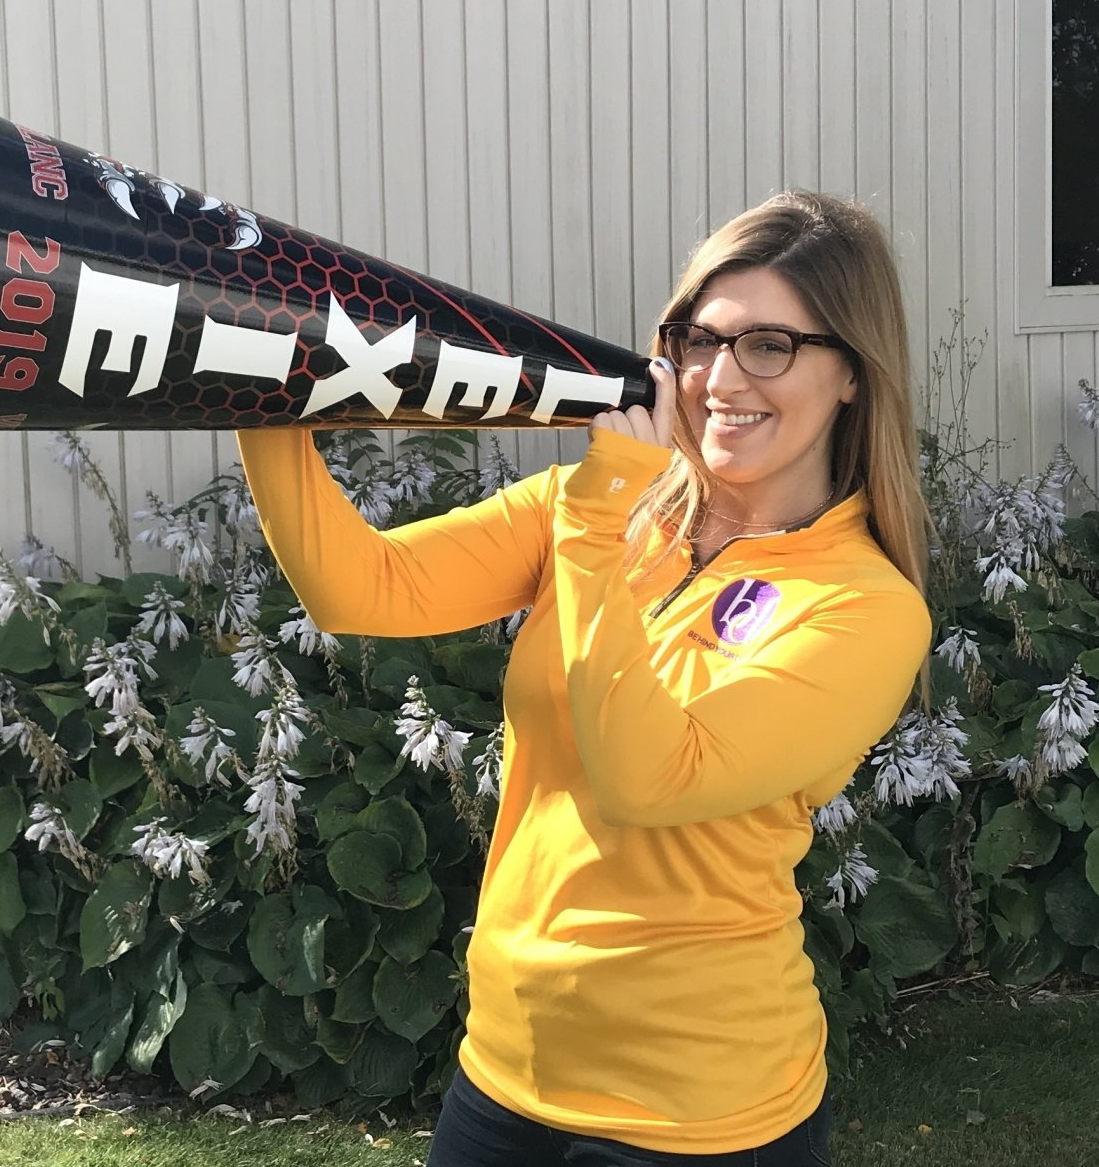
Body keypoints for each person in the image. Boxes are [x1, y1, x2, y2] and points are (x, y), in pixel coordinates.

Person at [236, 190, 932, 1166]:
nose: (718, 377)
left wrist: (602, 521)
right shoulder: (598, 508)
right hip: (506, 1069)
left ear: (852, 372)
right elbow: (361, 588)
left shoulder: (864, 605)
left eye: (770, 345)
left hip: (699, 1114)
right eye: (697, 340)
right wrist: (257, 390)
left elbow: (652, 776)